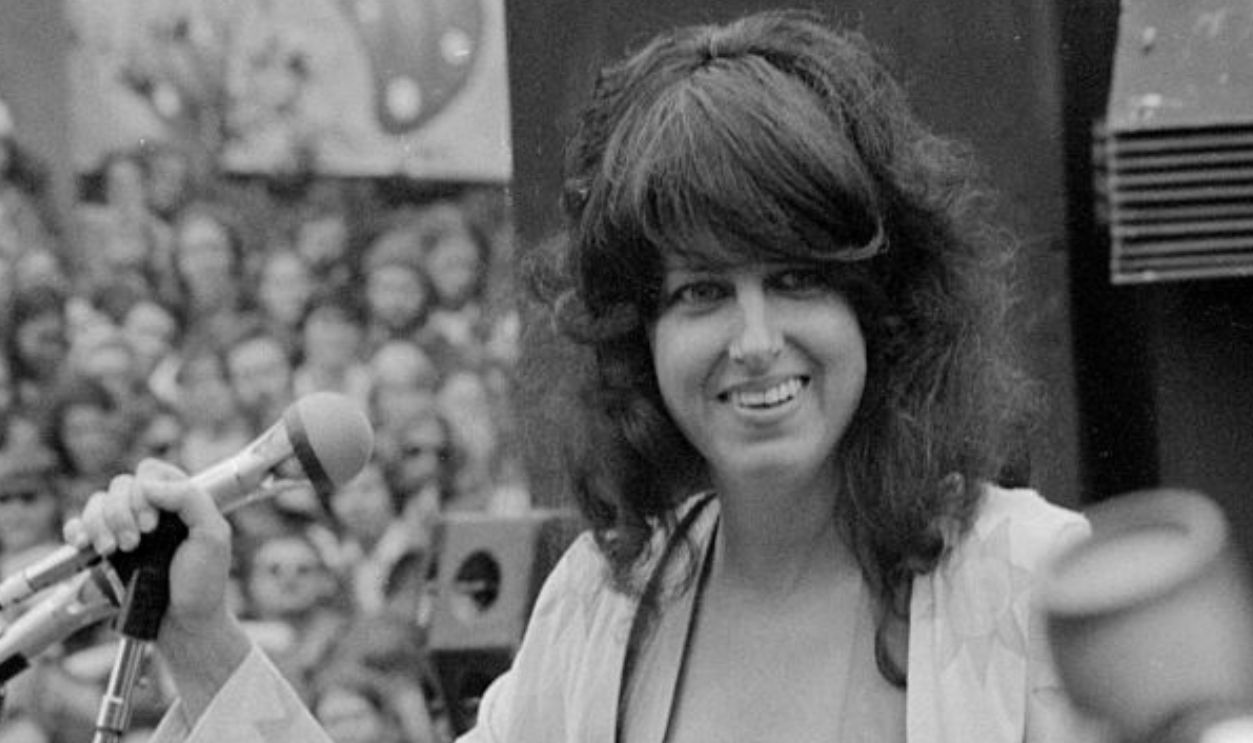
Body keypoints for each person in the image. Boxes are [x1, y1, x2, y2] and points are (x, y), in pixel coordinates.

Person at [65, 10, 1100, 743]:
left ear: (879, 304)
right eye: (699, 292)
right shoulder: (606, 605)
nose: (752, 338)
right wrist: (199, 636)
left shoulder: (1029, 577)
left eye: (794, 279)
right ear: (633, 336)